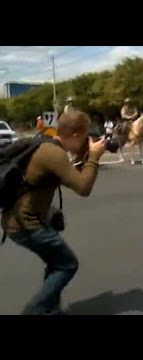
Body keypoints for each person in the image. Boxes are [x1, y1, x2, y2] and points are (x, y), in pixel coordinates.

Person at [1, 110, 107, 314]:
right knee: (67, 265)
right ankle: (35, 310)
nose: (87, 141)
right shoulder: (53, 153)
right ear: (76, 135)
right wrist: (93, 157)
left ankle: (51, 309)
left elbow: (64, 176)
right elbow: (83, 187)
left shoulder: (44, 142)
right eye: (85, 137)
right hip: (28, 226)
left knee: (55, 261)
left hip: (15, 220)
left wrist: (83, 155)